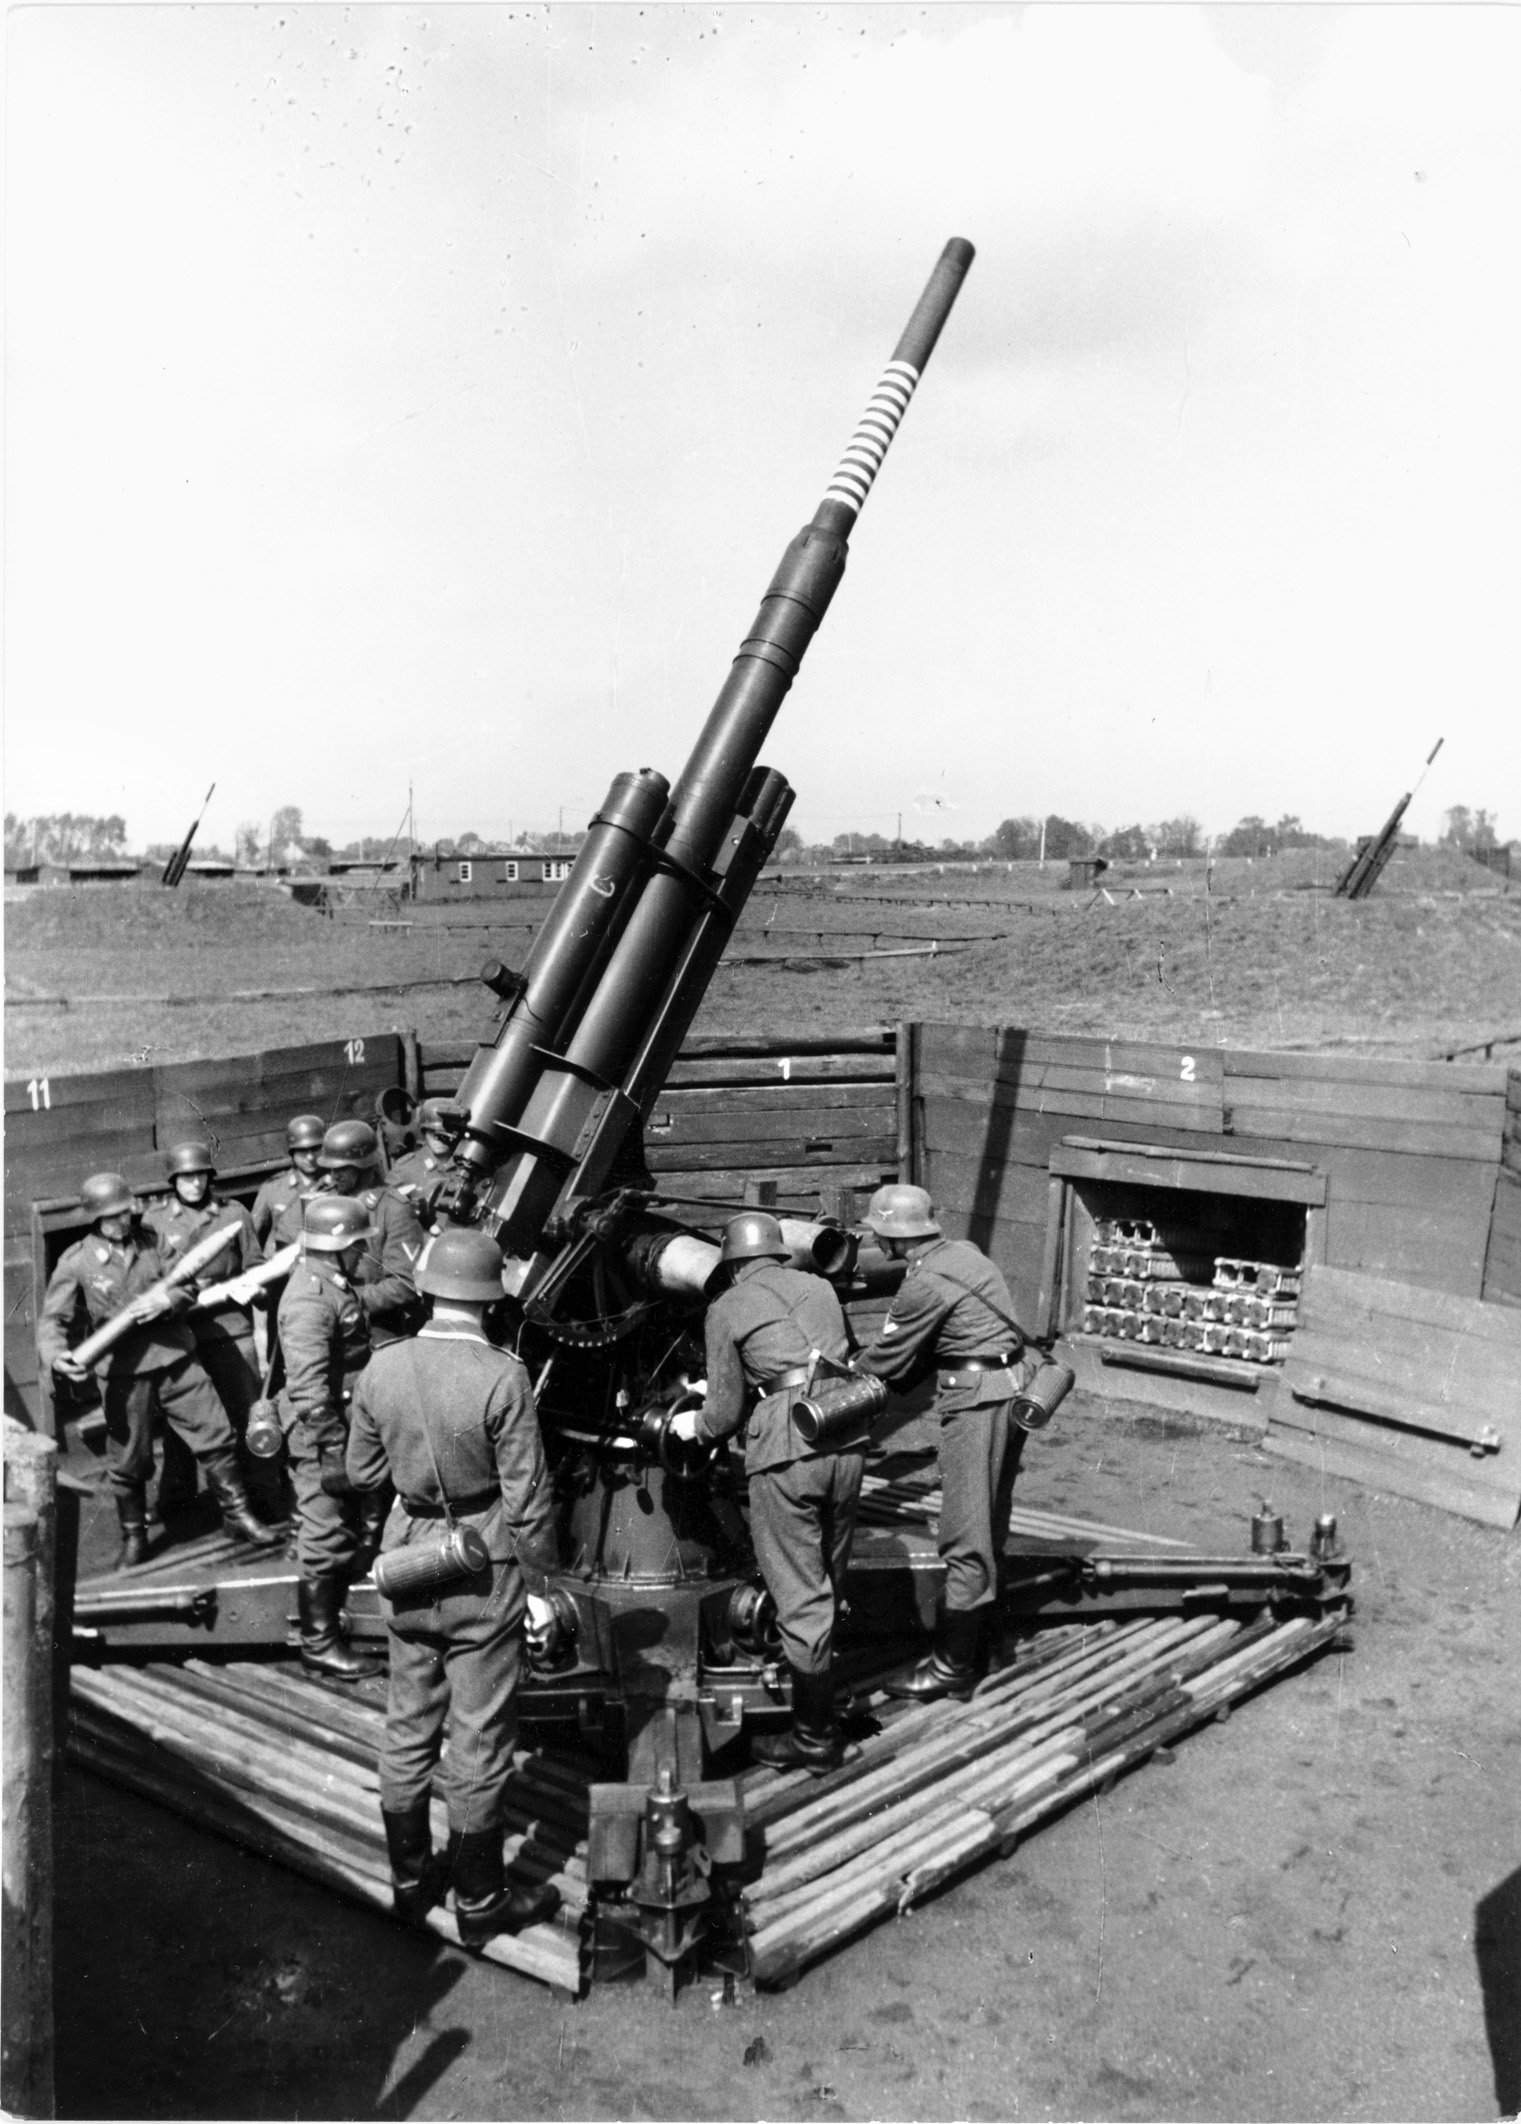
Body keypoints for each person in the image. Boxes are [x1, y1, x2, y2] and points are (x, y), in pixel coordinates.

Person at [346, 1226, 559, 1944]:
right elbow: (527, 1500)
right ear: (489, 1299)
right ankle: (479, 1904)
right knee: (478, 1740)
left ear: (431, 1290)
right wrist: (542, 1587)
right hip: (485, 1568)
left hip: (408, 1562)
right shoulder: (503, 1374)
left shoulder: (380, 1368)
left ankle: (410, 1885)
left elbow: (362, 1475)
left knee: (408, 1727)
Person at [669, 1210, 865, 1775]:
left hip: (787, 1451)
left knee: (800, 1594)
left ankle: (813, 1738)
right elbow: (823, 1356)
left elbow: (725, 1414)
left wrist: (696, 1426)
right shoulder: (821, 1286)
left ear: (731, 1264)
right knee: (829, 1576)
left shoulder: (725, 1306)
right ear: (779, 1254)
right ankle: (825, 1694)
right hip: (845, 1433)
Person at [37, 1172, 282, 1567]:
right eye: (112, 1216)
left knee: (217, 1436)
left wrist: (167, 1301)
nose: (122, 1221)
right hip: (124, 1372)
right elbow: (53, 1321)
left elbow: (189, 1284)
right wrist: (55, 1356)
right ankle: (134, 1536)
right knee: (128, 1459)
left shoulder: (152, 1241)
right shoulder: (77, 1261)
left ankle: (238, 1516)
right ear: (95, 1219)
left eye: (125, 1212)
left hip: (176, 1358)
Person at [854, 1184, 1038, 1701]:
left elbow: (887, 1361)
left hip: (974, 1404)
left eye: (877, 1232)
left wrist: (843, 1370)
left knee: (962, 1531)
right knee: (989, 1522)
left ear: (891, 1237)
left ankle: (953, 1667)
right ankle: (989, 1644)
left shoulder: (923, 1286)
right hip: (1010, 1391)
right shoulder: (966, 1255)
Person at [277, 1196, 386, 1682]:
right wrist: (331, 1452)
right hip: (322, 1434)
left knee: (346, 1519)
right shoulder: (309, 1299)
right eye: (359, 1244)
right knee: (323, 1531)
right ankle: (318, 1644)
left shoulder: (332, 1284)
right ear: (338, 1246)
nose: (365, 1252)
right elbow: (308, 1389)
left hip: (347, 1425)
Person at [143, 1140, 275, 1511]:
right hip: (179, 1336)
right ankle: (178, 1500)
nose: (195, 1184)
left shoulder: (234, 1213)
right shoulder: (155, 1221)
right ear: (173, 1180)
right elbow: (151, 1279)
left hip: (229, 1329)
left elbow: (255, 1266)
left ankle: (260, 1498)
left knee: (246, 1414)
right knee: (181, 1422)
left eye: (201, 1175)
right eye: (186, 1177)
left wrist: (255, 1289)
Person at [268, 1120, 425, 1348]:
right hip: (329, 1323)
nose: (333, 1176)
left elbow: (404, 1284)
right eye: (330, 1168)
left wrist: (347, 1298)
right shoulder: (325, 1203)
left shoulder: (393, 1209)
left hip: (377, 1330)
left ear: (362, 1165)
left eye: (341, 1168)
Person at [250, 1113, 326, 1248]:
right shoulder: (273, 1188)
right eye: (302, 1151)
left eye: (315, 1149)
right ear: (292, 1153)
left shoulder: (337, 1184)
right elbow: (253, 1239)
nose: (310, 1157)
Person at [385, 1099, 455, 1227]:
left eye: (443, 1133)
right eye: (431, 1132)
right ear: (424, 1132)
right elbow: (387, 1212)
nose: (437, 1139)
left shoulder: (466, 1163)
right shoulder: (405, 1168)